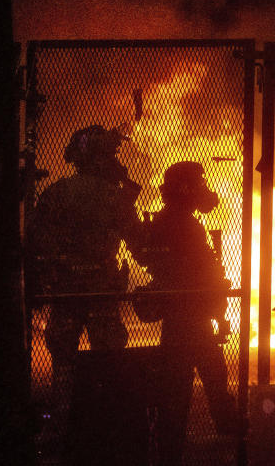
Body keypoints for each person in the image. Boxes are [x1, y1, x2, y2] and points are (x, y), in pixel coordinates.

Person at [134, 161, 239, 464]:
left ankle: (174, 446)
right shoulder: (183, 223)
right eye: (199, 185)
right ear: (186, 189)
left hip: (182, 319)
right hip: (190, 318)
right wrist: (216, 288)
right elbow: (197, 271)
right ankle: (230, 433)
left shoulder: (170, 220)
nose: (204, 191)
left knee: (183, 386)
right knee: (206, 380)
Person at [26, 125, 143, 372]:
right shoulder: (113, 196)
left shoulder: (58, 192)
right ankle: (106, 405)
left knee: (63, 358)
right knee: (109, 360)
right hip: (102, 288)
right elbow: (139, 244)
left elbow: (35, 236)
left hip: (66, 286)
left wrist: (46, 271)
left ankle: (64, 406)